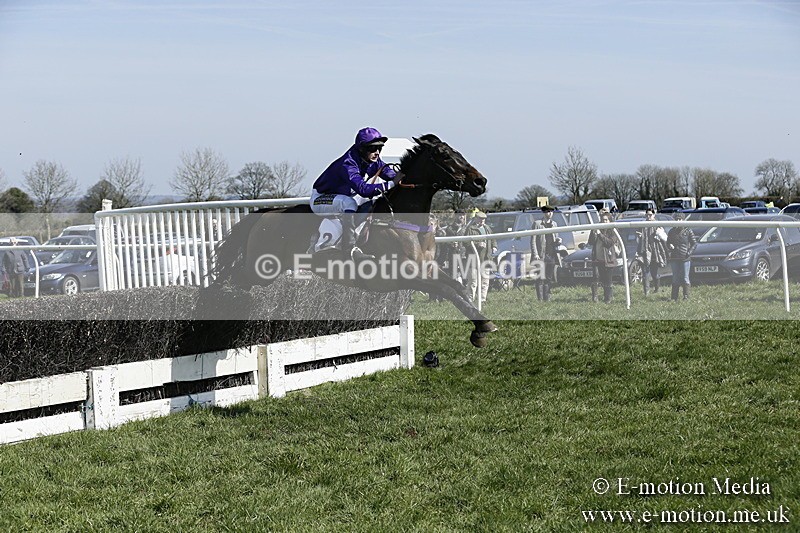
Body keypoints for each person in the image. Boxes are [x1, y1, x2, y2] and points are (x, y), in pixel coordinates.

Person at [310, 127, 398, 260]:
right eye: (373, 148)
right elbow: (363, 190)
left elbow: (391, 175)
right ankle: (349, 248)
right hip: (321, 199)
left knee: (374, 200)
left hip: (343, 196)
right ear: (362, 148)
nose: (377, 152)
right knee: (349, 203)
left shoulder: (373, 160)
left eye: (380, 148)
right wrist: (391, 184)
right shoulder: (348, 163)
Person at [587, 209, 620, 303]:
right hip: (598, 259)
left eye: (606, 220)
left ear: (610, 220)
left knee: (608, 281)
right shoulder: (597, 228)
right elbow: (590, 242)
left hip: (608, 259)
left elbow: (609, 243)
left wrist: (599, 234)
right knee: (601, 280)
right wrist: (593, 232)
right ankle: (600, 298)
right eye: (602, 220)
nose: (604, 222)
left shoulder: (613, 230)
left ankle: (608, 299)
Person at [530, 205, 560, 301]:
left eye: (551, 211)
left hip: (551, 254)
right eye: (547, 211)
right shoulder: (537, 224)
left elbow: (555, 239)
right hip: (541, 255)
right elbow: (533, 241)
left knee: (549, 277)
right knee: (540, 278)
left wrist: (558, 241)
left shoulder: (554, 224)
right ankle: (540, 299)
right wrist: (535, 254)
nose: (550, 213)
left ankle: (547, 298)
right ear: (544, 212)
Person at [465, 211, 496, 304]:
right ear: (476, 219)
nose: (482, 221)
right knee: (473, 281)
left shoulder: (487, 228)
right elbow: (465, 242)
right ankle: (470, 300)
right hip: (474, 260)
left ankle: (482, 299)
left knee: (485, 281)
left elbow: (493, 239)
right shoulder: (470, 229)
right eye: (480, 219)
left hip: (486, 259)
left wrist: (494, 246)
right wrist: (477, 244)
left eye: (483, 219)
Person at [666, 211, 698, 301]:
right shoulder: (671, 231)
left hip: (685, 258)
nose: (678, 221)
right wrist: (669, 245)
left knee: (685, 278)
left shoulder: (688, 231)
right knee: (675, 278)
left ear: (683, 220)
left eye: (680, 219)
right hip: (674, 257)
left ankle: (686, 297)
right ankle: (674, 297)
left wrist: (689, 252)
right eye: (676, 219)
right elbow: (668, 242)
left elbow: (694, 244)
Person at [636, 209, 668, 295]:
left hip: (654, 252)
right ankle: (646, 292)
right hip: (644, 251)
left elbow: (664, 238)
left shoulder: (657, 225)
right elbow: (637, 240)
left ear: (654, 215)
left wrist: (659, 234)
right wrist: (639, 237)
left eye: (650, 215)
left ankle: (657, 288)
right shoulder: (642, 225)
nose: (648, 217)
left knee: (654, 273)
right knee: (645, 273)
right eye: (647, 215)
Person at [444, 211, 469, 283]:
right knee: (453, 275)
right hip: (453, 254)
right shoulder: (449, 228)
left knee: (465, 275)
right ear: (456, 216)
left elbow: (469, 241)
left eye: (463, 215)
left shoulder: (467, 228)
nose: (461, 216)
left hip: (464, 254)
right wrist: (451, 244)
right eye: (460, 215)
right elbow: (445, 241)